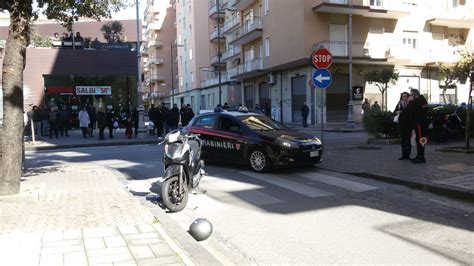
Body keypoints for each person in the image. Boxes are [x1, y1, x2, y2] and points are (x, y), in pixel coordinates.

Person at [408, 89, 429, 164]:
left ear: (415, 95)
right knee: (418, 139)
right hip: (418, 123)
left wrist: (410, 101)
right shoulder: (419, 101)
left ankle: (421, 157)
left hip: (420, 124)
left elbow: (412, 108)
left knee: (421, 140)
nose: (409, 96)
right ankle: (419, 155)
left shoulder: (420, 100)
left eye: (411, 95)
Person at [394, 92, 411, 160]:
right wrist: (397, 112)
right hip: (401, 123)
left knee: (408, 140)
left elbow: (411, 113)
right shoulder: (399, 103)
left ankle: (408, 155)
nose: (404, 98)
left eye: (406, 96)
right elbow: (394, 111)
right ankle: (403, 155)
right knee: (403, 140)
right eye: (403, 96)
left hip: (408, 124)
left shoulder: (410, 103)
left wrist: (402, 112)